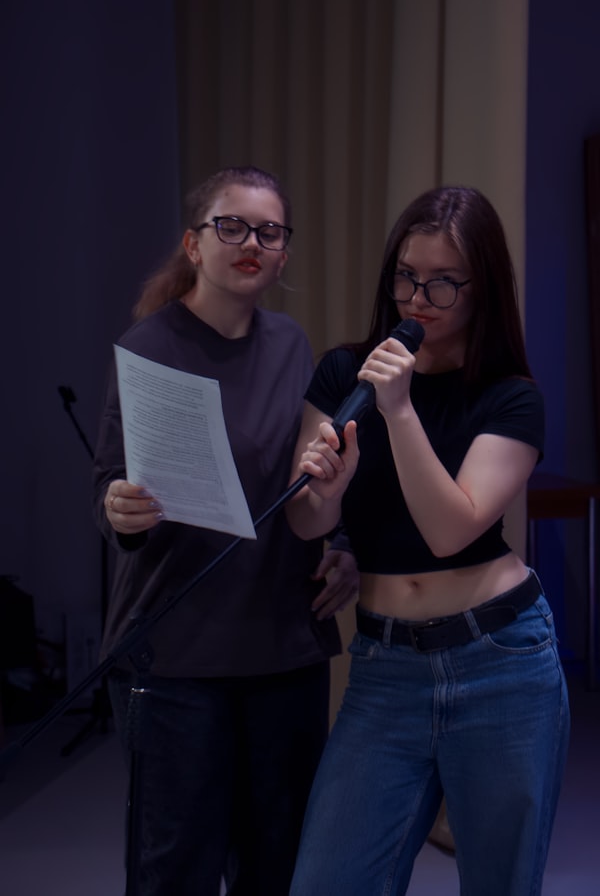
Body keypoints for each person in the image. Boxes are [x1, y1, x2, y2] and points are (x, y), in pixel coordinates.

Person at [285, 185, 570, 895]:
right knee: (328, 879)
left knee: (500, 881)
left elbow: (450, 530)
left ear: (484, 288)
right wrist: (328, 491)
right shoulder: (342, 371)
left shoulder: (510, 397)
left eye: (443, 282)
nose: (419, 297)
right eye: (407, 276)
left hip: (500, 660)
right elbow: (306, 522)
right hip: (385, 666)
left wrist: (400, 410)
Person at [92, 165, 358, 896]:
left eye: (269, 232)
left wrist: (338, 548)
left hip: (281, 645)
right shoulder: (148, 347)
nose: (251, 242)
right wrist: (119, 506)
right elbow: (107, 485)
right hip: (176, 655)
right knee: (175, 866)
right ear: (193, 244)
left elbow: (299, 478)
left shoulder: (291, 344)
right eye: (231, 226)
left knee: (279, 861)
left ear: (283, 253)